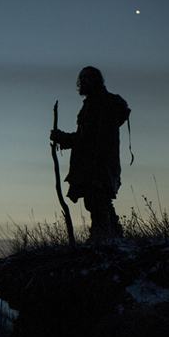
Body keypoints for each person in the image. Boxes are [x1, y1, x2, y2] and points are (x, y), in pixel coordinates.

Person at [51, 67, 130, 241]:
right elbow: (86, 136)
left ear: (96, 80)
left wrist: (64, 138)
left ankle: (101, 237)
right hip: (94, 162)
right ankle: (114, 236)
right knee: (100, 199)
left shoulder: (101, 103)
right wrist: (64, 139)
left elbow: (91, 137)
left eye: (88, 77)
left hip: (98, 162)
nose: (83, 81)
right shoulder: (93, 103)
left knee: (96, 199)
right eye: (82, 78)